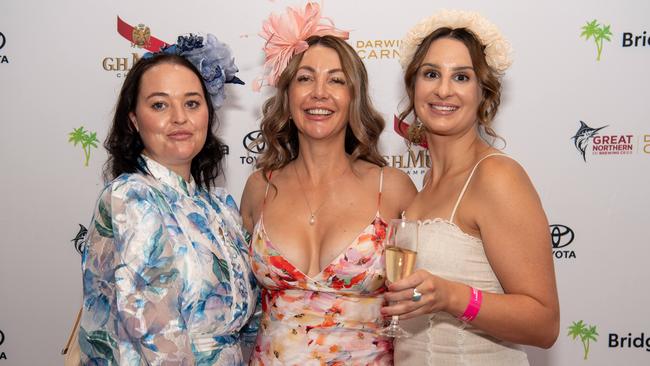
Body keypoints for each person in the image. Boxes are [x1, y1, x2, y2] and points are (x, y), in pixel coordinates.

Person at [240, 2, 417, 364]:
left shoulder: (393, 187)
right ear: (287, 97)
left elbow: (424, 302)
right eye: (305, 78)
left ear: (354, 98)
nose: (319, 92)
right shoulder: (261, 187)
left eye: (336, 80)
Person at [382, 10, 560, 365]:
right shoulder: (425, 185)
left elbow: (544, 324)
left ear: (483, 92)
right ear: (413, 86)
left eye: (461, 77)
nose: (443, 89)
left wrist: (452, 297)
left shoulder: (497, 177)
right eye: (431, 74)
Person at [79, 34, 258, 365]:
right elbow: (154, 335)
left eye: (192, 103)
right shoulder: (130, 197)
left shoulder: (220, 207)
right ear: (134, 120)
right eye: (159, 104)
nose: (179, 118)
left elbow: (248, 322)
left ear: (208, 112)